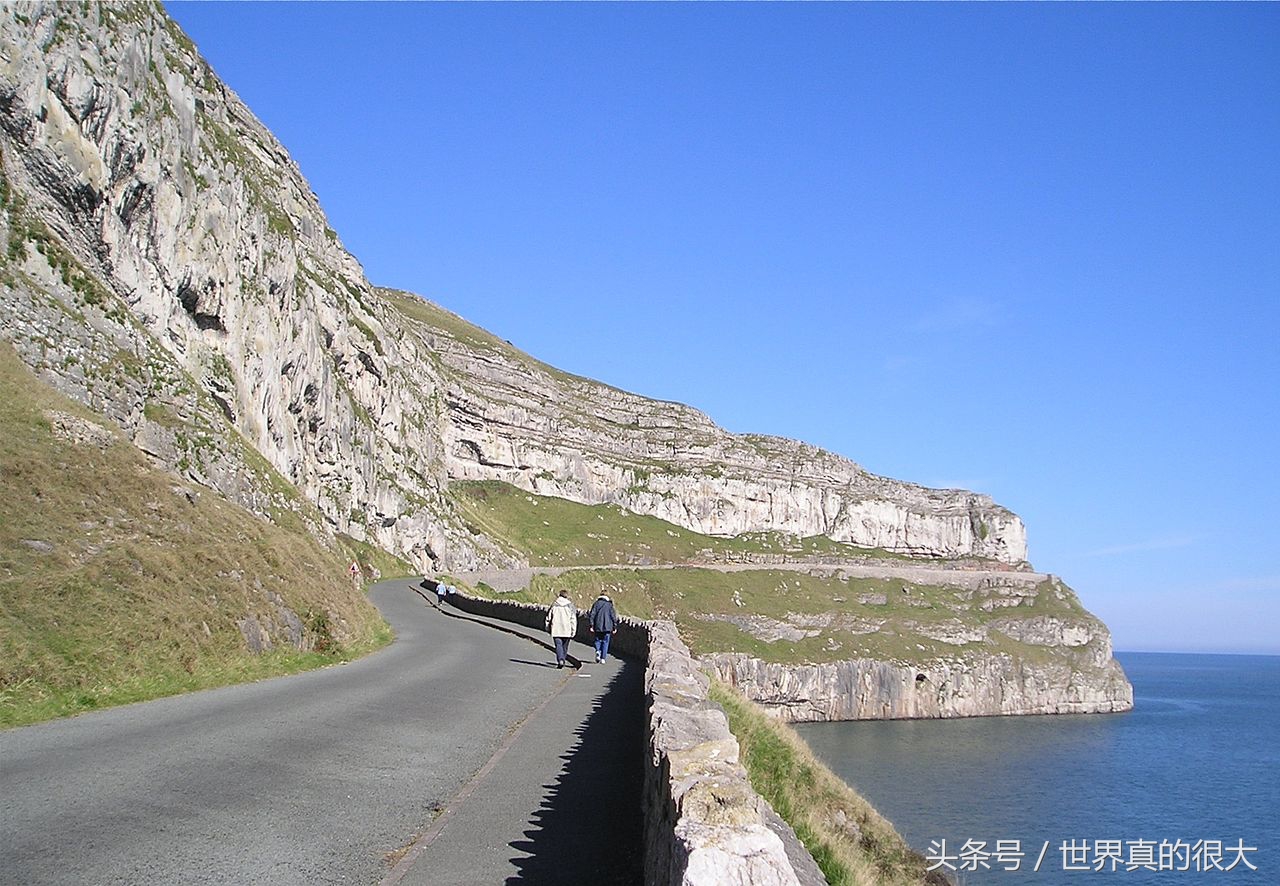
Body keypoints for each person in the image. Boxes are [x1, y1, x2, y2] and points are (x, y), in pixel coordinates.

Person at [545, 589, 577, 669]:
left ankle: (560, 660)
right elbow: (573, 619)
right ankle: (563, 658)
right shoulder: (570, 605)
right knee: (565, 646)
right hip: (567, 629)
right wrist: (573, 630)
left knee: (558, 645)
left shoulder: (554, 605)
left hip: (556, 628)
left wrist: (547, 627)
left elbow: (549, 617)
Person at [588, 593, 618, 663]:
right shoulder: (609, 605)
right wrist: (615, 626)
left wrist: (591, 625)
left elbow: (592, 615)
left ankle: (598, 650)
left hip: (597, 626)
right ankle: (603, 658)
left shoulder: (596, 604)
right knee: (605, 642)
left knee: (597, 640)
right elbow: (613, 616)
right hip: (607, 627)